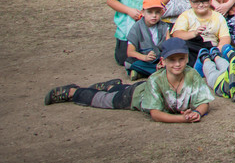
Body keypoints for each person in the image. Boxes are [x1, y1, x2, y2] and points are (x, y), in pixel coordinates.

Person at [45, 38, 213, 122]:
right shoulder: (156, 79)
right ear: (163, 61)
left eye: (181, 59)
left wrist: (197, 113)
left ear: (187, 59)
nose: (177, 64)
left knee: (118, 89)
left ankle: (111, 86)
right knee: (103, 100)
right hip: (135, 97)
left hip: (143, 88)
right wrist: (182, 119)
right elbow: (155, 113)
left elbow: (204, 102)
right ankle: (73, 92)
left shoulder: (192, 74)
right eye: (172, 60)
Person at [171, 0, 231, 65]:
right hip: (193, 49)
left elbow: (225, 37)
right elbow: (177, 34)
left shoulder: (218, 17)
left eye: (204, 1)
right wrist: (194, 33)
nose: (201, 5)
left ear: (210, 1)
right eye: (196, 2)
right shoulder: (186, 15)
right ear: (191, 2)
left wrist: (219, 48)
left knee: (228, 50)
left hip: (212, 48)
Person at [124, 0, 170, 79]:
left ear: (161, 13)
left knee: (174, 61)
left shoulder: (165, 27)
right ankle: (161, 72)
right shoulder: (136, 28)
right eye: (150, 12)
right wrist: (145, 58)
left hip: (160, 59)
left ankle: (144, 73)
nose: (154, 15)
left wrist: (164, 59)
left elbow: (169, 47)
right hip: (144, 60)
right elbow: (130, 52)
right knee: (129, 62)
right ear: (143, 12)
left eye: (157, 12)